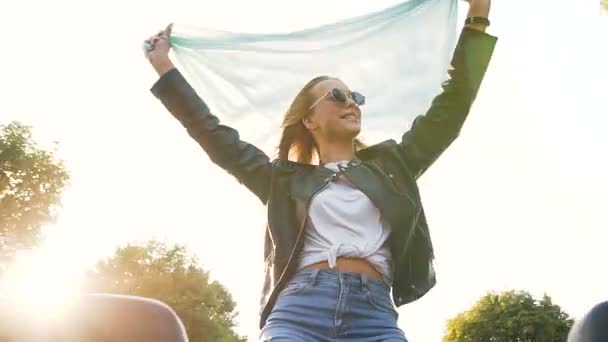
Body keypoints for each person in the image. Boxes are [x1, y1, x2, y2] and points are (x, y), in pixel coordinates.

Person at [144, 0, 496, 340]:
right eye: (336, 96)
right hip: (299, 314)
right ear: (309, 119)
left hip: (374, 318)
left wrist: (478, 16)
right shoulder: (282, 180)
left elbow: (452, 106)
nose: (350, 103)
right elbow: (212, 133)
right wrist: (164, 67)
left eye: (354, 96)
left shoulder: (394, 167)